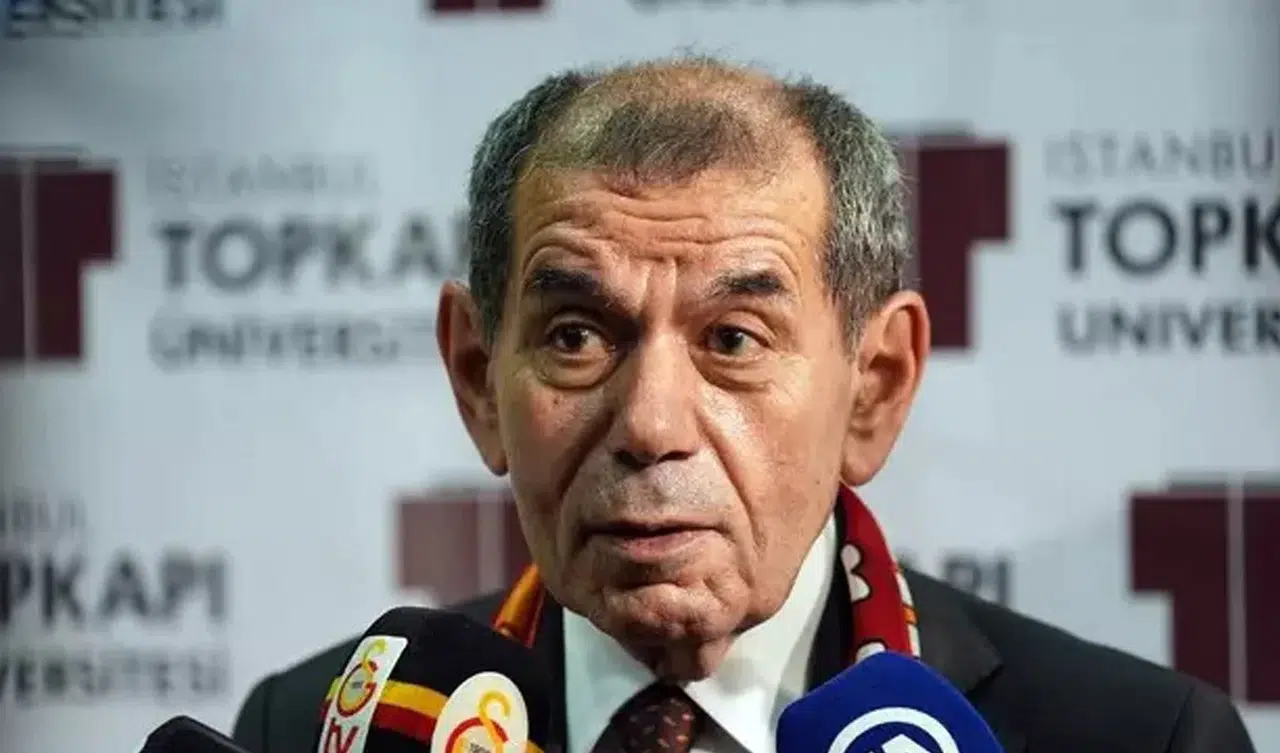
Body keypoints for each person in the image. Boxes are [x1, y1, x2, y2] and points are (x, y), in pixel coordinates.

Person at [230, 56, 1256, 753]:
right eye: (576, 336)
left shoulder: (1141, 738)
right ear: (475, 377)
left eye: (732, 340)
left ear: (873, 387)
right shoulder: (314, 731)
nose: (652, 425)